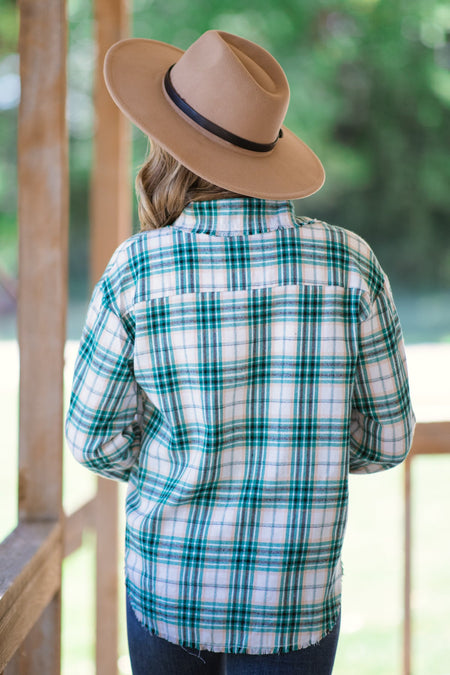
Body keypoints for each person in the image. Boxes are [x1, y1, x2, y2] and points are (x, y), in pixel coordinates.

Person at [65, 30, 416, 675]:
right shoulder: (350, 265)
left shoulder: (138, 271)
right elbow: (388, 440)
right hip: (296, 596)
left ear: (169, 146)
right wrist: (305, 451)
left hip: (169, 585)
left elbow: (92, 438)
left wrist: (180, 461)